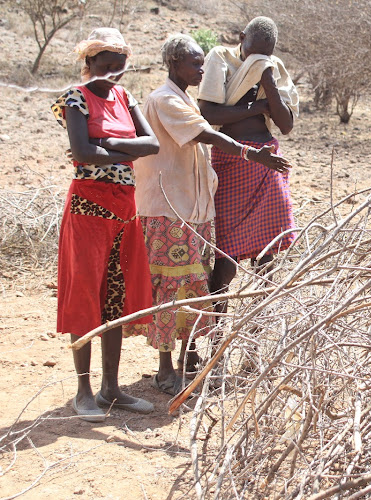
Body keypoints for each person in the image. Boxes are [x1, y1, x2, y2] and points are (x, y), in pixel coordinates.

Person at [123, 34, 291, 395]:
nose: (202, 69)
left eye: (202, 62)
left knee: (190, 287)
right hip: (167, 207)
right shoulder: (165, 99)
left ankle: (184, 362)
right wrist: (250, 154)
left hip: (190, 208)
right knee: (169, 288)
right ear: (174, 64)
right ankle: (165, 369)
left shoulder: (182, 97)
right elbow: (207, 135)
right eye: (194, 63)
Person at [52, 28, 160, 422]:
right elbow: (81, 153)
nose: (112, 73)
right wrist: (116, 148)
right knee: (84, 294)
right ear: (89, 63)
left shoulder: (125, 97)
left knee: (116, 295)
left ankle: (111, 388)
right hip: (87, 207)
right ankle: (83, 391)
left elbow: (153, 146)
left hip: (124, 208)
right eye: (105, 66)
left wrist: (106, 145)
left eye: (119, 66)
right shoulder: (74, 97)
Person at [197, 16, 298, 309]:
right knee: (226, 256)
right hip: (231, 158)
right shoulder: (220, 57)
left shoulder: (273, 68)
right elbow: (210, 114)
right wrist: (258, 106)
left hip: (267, 162)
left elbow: (286, 125)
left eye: (263, 55)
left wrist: (267, 79)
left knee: (267, 255)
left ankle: (253, 334)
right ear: (242, 37)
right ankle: (217, 341)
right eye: (253, 52)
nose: (257, 60)